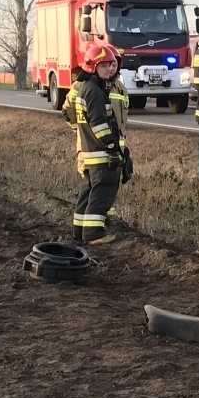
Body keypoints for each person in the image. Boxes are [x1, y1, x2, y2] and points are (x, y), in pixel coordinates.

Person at [64, 41, 131, 245]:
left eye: (112, 64)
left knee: (90, 190)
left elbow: (115, 123)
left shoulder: (100, 87)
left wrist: (121, 149)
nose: (110, 68)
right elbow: (99, 123)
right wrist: (110, 146)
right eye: (105, 65)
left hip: (96, 148)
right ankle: (93, 232)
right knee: (102, 188)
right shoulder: (93, 90)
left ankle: (81, 230)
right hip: (100, 151)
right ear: (93, 66)